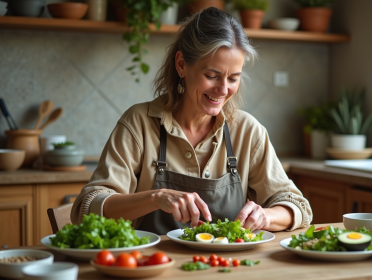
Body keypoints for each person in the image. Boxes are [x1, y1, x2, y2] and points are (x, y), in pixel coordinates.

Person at [71, 7, 312, 235]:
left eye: (233, 78)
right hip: (152, 268)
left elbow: (297, 206)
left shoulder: (248, 131)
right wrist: (155, 197)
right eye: (211, 76)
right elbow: (87, 206)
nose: (223, 90)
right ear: (181, 65)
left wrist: (266, 216)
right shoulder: (139, 124)